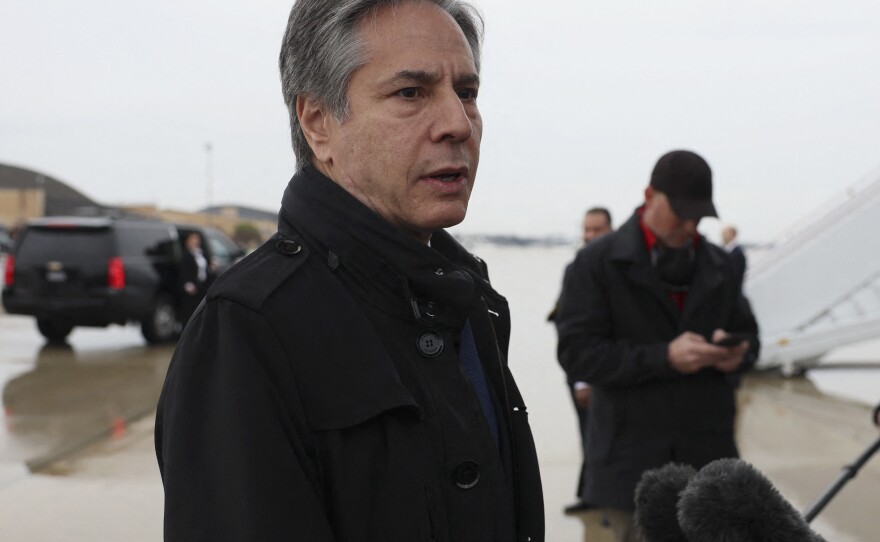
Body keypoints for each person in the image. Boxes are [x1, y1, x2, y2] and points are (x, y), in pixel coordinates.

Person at [155, 1, 544, 541]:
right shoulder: (248, 329)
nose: (458, 122)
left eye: (467, 93)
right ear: (318, 123)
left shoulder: (468, 301)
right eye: (411, 93)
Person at [554, 150, 760, 542]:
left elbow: (751, 338)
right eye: (680, 211)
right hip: (630, 465)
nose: (689, 223)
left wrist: (737, 354)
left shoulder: (719, 264)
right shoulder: (594, 264)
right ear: (650, 195)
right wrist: (664, 357)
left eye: (698, 215)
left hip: (709, 458)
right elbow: (576, 354)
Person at [550, 207, 613, 514]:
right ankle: (592, 497)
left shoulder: (620, 271)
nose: (589, 236)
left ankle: (605, 499)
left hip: (614, 372)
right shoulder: (576, 269)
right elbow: (570, 329)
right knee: (589, 434)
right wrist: (581, 380)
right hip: (583, 374)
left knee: (609, 439)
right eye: (586, 229)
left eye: (596, 230)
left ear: (610, 230)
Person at [177, 232, 209, 325]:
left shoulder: (202, 253)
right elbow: (184, 271)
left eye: (197, 239)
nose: (196, 241)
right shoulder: (186, 255)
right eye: (193, 239)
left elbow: (204, 269)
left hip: (202, 286)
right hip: (191, 287)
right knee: (189, 311)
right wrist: (188, 284)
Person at [721, 224, 747, 291]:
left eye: (725, 233)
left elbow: (735, 275)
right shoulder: (723, 251)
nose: (722, 235)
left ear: (732, 234)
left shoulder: (737, 253)